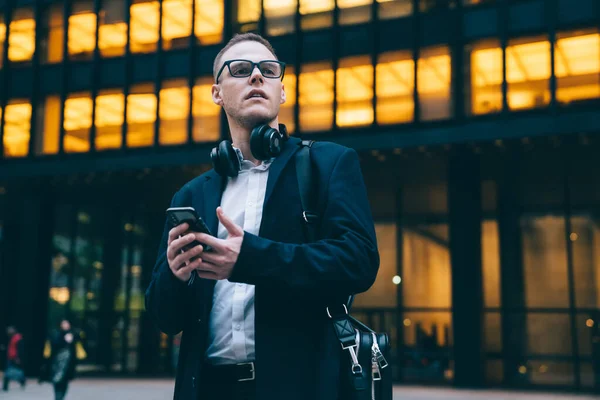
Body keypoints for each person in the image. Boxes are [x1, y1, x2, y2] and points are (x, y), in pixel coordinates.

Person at [145, 32, 379, 400]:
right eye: (239, 69)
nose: (256, 77)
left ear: (281, 91)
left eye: (268, 70)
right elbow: (165, 318)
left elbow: (360, 261)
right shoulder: (191, 195)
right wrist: (175, 276)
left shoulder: (327, 164)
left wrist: (250, 258)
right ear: (217, 92)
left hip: (299, 388)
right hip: (208, 388)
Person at [41, 319, 86, 400]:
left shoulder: (73, 333)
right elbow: (53, 345)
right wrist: (64, 339)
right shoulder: (55, 334)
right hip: (56, 361)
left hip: (68, 363)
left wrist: (73, 338)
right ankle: (58, 397)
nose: (66, 325)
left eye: (67, 324)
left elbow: (80, 339)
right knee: (57, 379)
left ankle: (60, 397)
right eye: (64, 324)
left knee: (64, 380)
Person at [2, 326, 26, 391]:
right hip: (10, 358)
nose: (8, 332)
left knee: (14, 372)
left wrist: (18, 358)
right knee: (8, 371)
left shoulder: (18, 338)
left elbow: (20, 349)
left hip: (14, 358)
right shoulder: (12, 338)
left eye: (10, 330)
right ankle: (5, 386)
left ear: (14, 330)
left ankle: (22, 380)